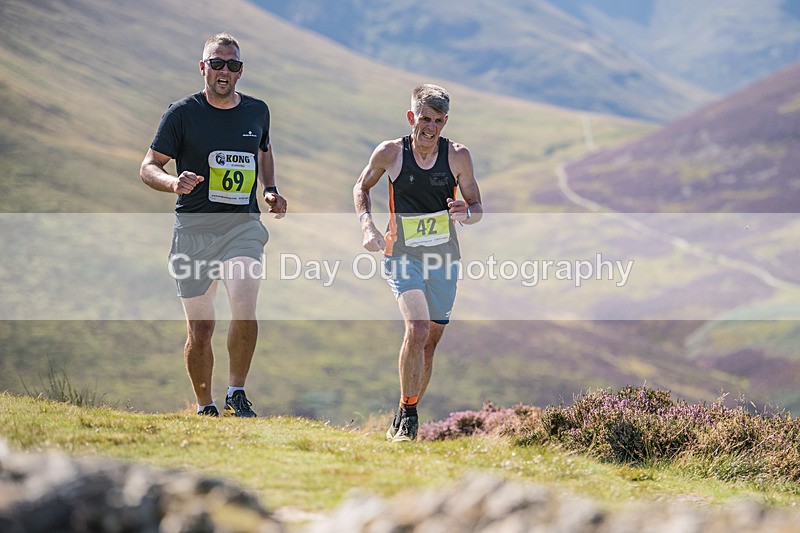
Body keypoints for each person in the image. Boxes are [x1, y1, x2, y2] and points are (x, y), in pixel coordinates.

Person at [140, 32, 287, 418]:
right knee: (201, 331)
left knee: (244, 303)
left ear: (241, 71)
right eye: (217, 63)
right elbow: (148, 166)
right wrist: (173, 182)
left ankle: (236, 392)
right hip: (193, 231)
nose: (224, 71)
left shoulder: (257, 111)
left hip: (242, 227)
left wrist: (270, 190)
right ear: (203, 67)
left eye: (232, 65)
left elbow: (264, 151)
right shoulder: (182, 113)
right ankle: (205, 406)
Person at [354, 84, 483, 442]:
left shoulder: (458, 156)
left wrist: (465, 212)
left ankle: (402, 408)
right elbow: (361, 187)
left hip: (444, 259)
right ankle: (410, 419)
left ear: (446, 122)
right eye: (425, 119)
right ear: (412, 117)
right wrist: (368, 225)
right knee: (418, 329)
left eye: (439, 121)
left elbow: (476, 207)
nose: (431, 128)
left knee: (430, 343)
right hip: (402, 256)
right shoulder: (391, 152)